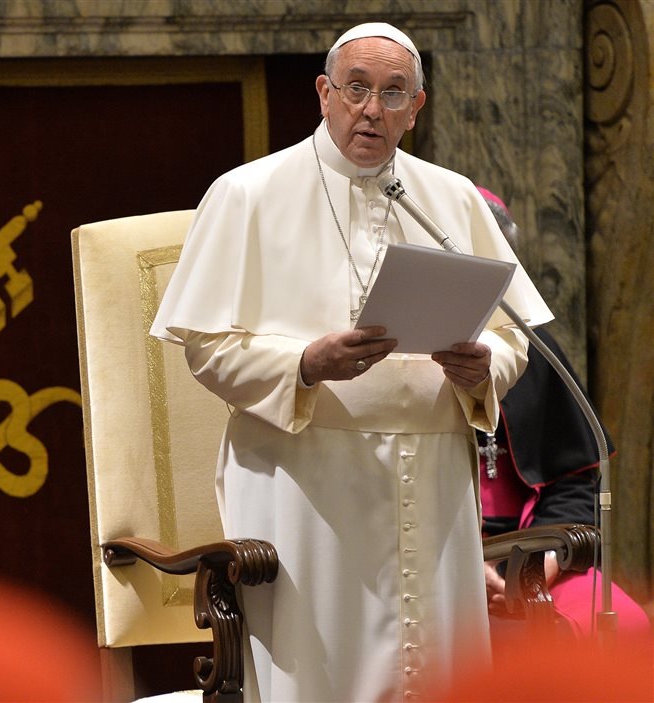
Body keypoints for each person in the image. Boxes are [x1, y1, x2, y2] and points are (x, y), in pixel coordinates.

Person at [150, 23, 554, 701]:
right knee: (320, 670)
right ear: (323, 94)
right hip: (306, 479)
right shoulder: (249, 194)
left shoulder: (452, 199)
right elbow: (206, 348)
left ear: (417, 107)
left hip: (431, 478)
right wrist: (305, 362)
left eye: (393, 94)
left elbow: (514, 337)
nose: (373, 109)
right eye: (357, 89)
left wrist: (482, 370)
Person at [474, 188, 651, 651]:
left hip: (530, 552)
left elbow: (572, 482)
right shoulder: (402, 350)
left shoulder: (536, 350)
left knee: (625, 630)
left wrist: (536, 568)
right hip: (438, 560)